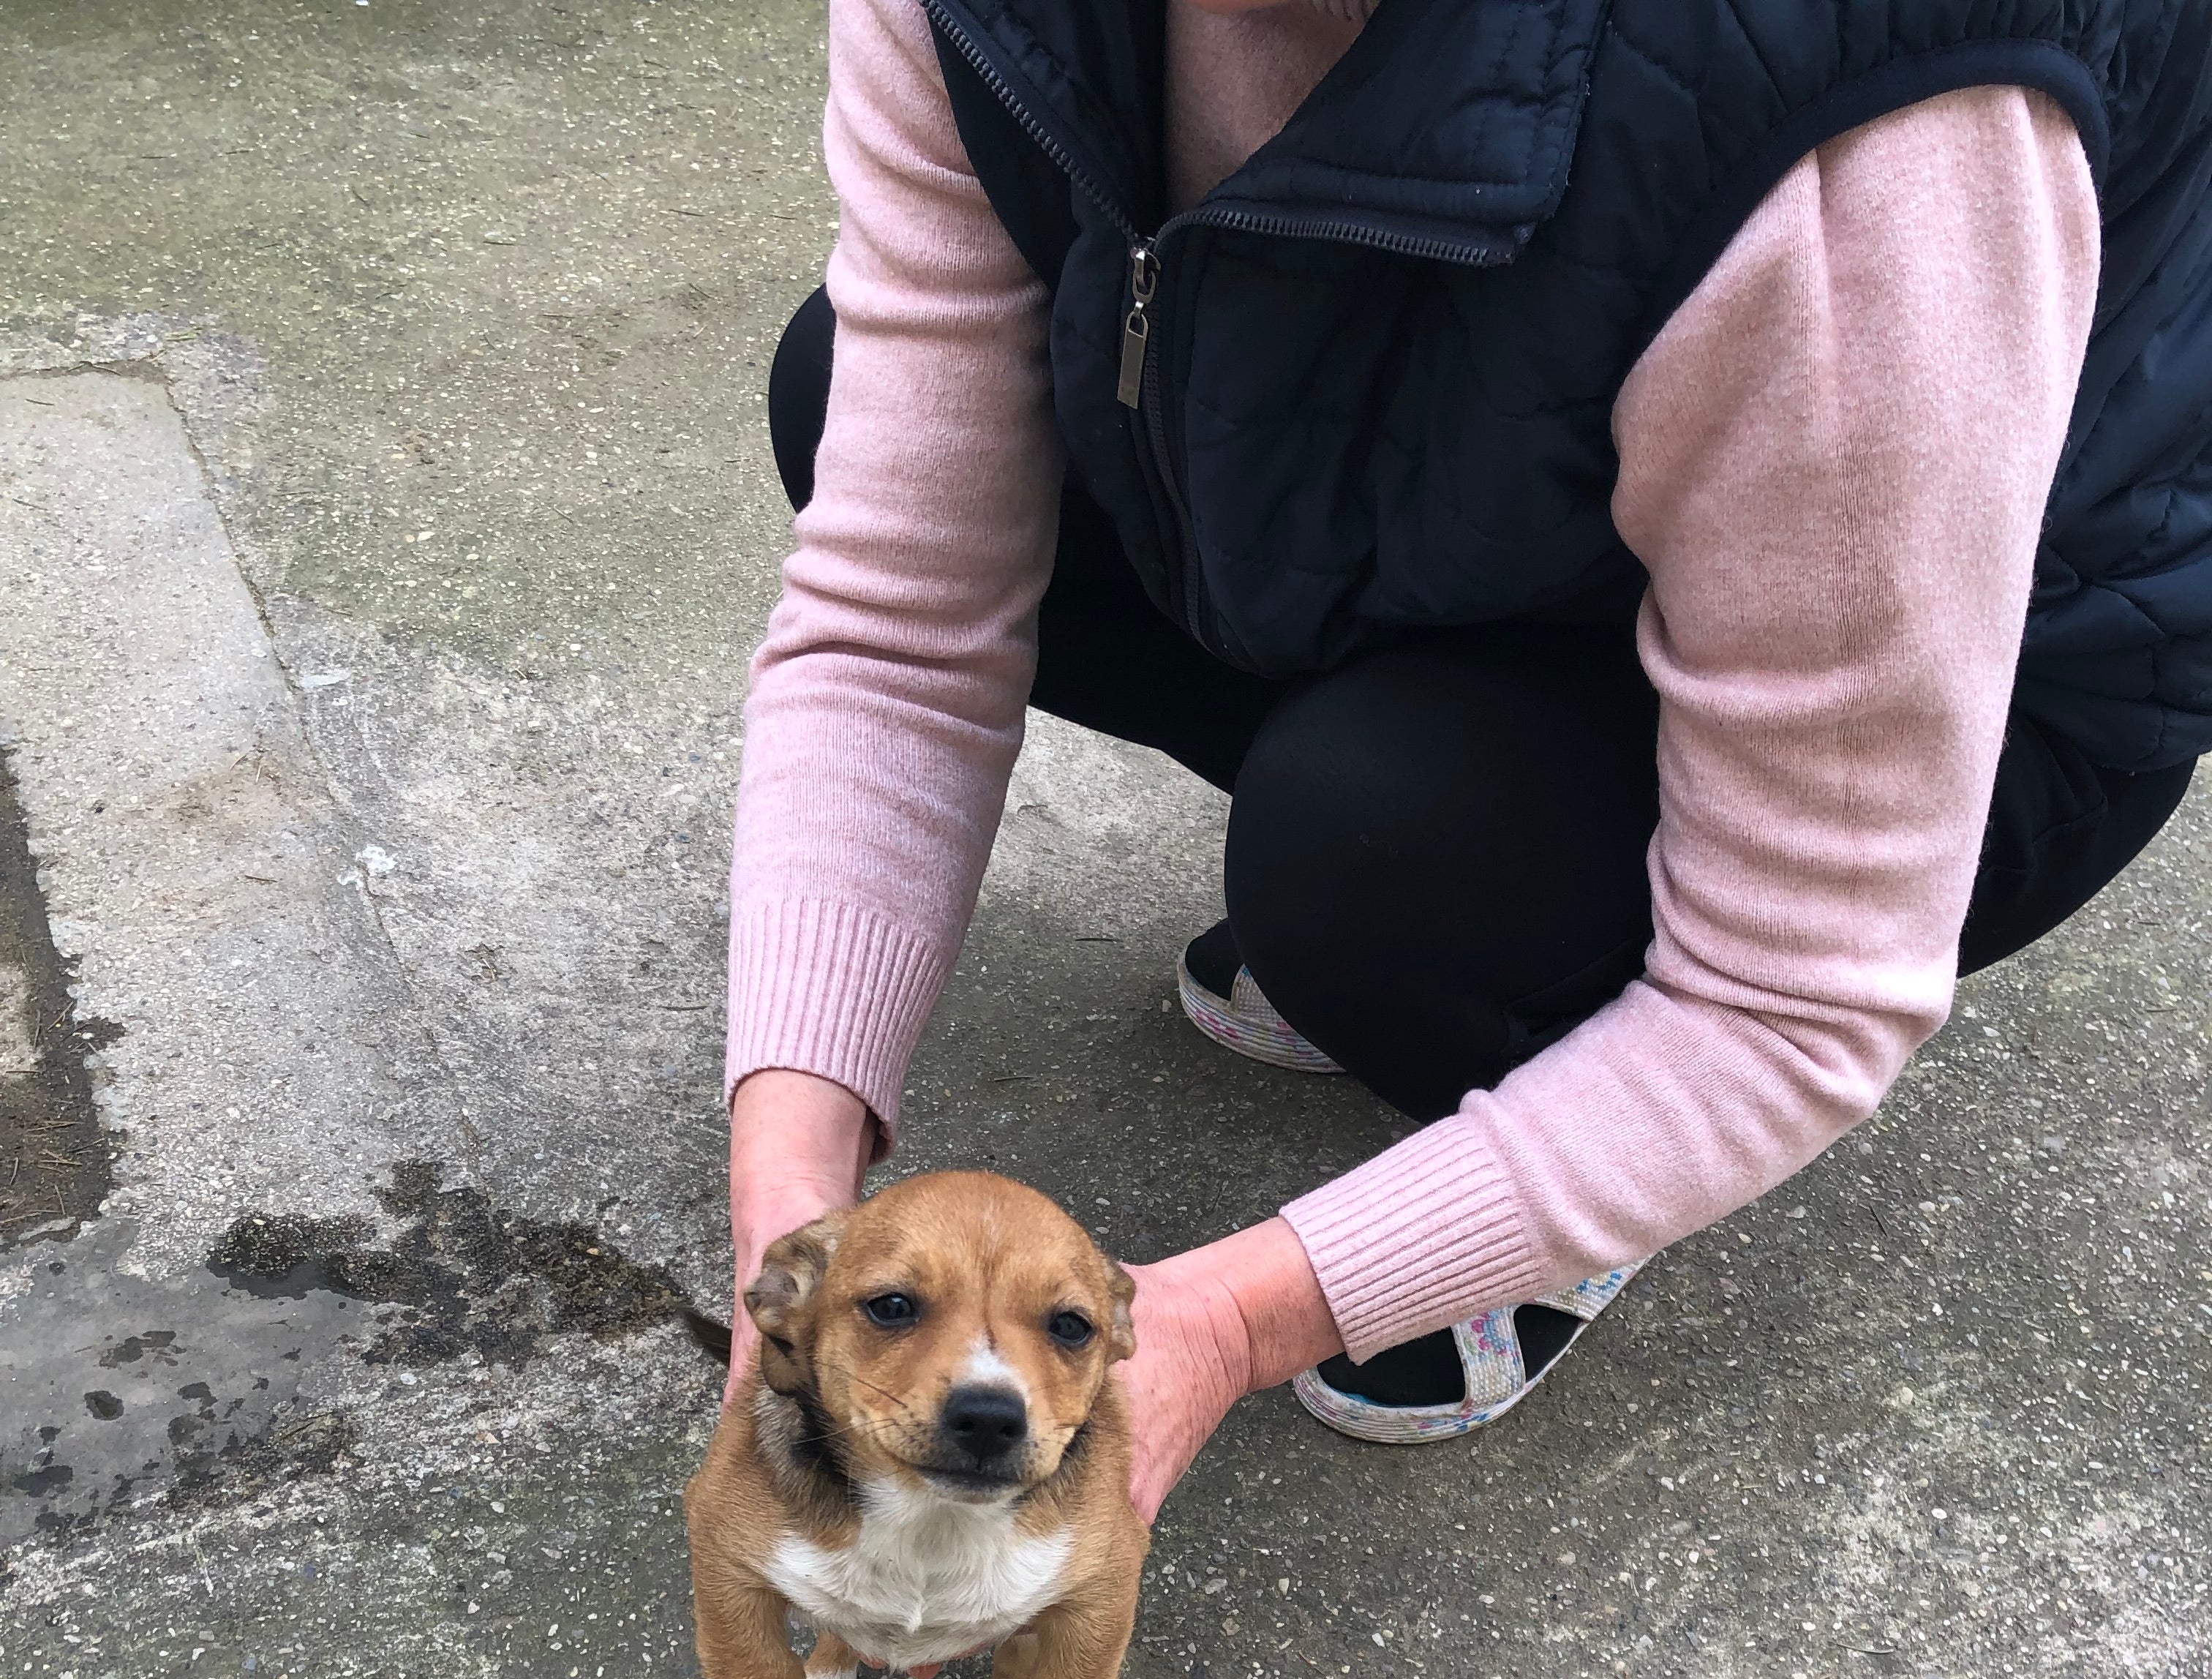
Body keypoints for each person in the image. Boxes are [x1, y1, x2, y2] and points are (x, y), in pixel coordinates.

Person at [721, 0, 2212, 1520]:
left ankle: (1547, 1089)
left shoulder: (1873, 151)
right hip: (1565, 482)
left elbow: (1796, 987)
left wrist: (1233, 1321)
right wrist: (791, 1204)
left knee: (1375, 857)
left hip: (1977, 673)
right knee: (852, 388)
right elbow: (898, 621)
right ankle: (1470, 897)